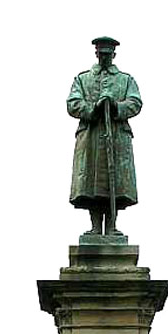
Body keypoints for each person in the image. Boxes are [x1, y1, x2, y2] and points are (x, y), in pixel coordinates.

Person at [67, 37, 142, 237]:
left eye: (108, 54)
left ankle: (111, 226)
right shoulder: (82, 79)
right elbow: (72, 103)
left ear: (114, 55)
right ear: (96, 54)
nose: (104, 57)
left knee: (114, 181)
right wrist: (93, 108)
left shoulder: (126, 80)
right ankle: (94, 226)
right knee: (92, 182)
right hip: (91, 137)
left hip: (117, 137)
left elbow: (135, 103)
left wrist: (116, 106)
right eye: (101, 54)